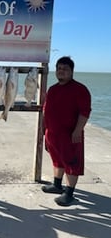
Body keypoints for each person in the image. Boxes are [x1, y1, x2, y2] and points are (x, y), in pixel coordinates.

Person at [41, 56, 91, 206]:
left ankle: (69, 193)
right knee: (57, 160)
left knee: (71, 163)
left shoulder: (80, 89)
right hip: (52, 134)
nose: (61, 71)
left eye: (65, 69)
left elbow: (85, 112)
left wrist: (77, 131)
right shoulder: (53, 89)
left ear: (71, 71)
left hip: (70, 135)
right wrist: (45, 131)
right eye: (59, 69)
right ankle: (57, 185)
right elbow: (46, 110)